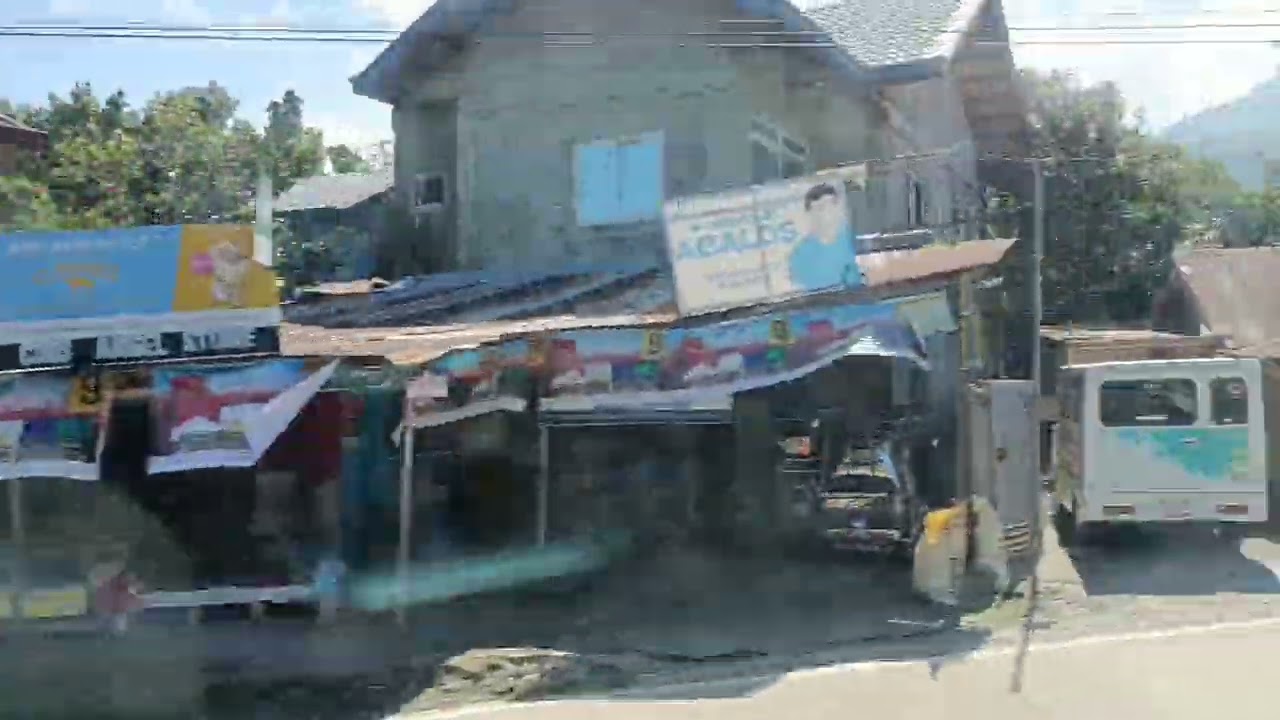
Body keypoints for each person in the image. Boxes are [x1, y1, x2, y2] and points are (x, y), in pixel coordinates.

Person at [786, 183, 862, 292]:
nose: (828, 213)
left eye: (832, 204)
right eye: (821, 208)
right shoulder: (800, 256)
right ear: (810, 214)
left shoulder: (856, 237)